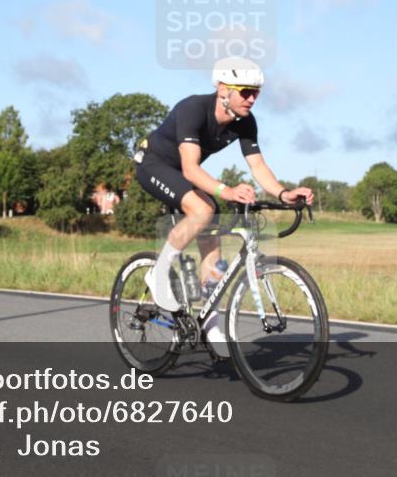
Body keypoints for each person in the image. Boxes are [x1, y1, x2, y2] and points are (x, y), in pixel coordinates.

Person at [135, 57, 314, 314]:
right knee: (203, 209)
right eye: (245, 92)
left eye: (256, 93)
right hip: (154, 165)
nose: (252, 99)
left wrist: (284, 193)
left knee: (213, 247)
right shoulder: (193, 109)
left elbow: (258, 167)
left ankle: (209, 321)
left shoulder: (246, 122)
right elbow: (190, 168)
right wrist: (227, 191)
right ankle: (158, 273)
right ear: (222, 89)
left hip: (184, 173)